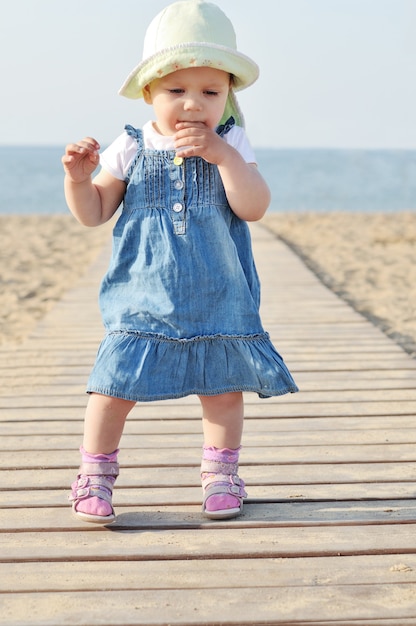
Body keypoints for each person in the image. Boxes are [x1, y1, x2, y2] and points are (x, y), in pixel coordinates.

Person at [62, 0, 298, 525]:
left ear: (227, 96)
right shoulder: (130, 145)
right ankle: (95, 474)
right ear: (148, 93)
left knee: (222, 391)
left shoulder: (232, 141)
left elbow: (253, 207)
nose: (193, 105)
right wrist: (79, 180)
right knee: (112, 386)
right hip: (141, 297)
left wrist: (226, 158)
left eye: (210, 92)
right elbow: (95, 212)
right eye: (176, 91)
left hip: (219, 295)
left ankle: (221, 475)